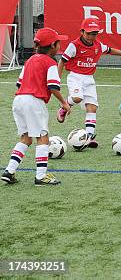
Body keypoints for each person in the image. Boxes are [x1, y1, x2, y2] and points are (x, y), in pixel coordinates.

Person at [1, 28, 71, 186]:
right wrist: (64, 103)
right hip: (34, 101)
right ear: (53, 45)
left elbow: (19, 83)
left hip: (18, 100)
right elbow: (53, 86)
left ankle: (9, 171)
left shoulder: (29, 61)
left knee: (26, 139)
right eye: (59, 42)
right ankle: (41, 176)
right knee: (42, 137)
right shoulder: (50, 63)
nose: (60, 45)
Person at [57, 18, 121, 148]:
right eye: (89, 33)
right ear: (82, 32)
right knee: (77, 97)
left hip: (89, 79)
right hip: (75, 77)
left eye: (95, 33)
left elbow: (110, 50)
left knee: (92, 107)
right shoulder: (74, 45)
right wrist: (57, 79)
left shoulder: (98, 45)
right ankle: (64, 107)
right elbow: (62, 61)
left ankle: (89, 137)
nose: (92, 36)